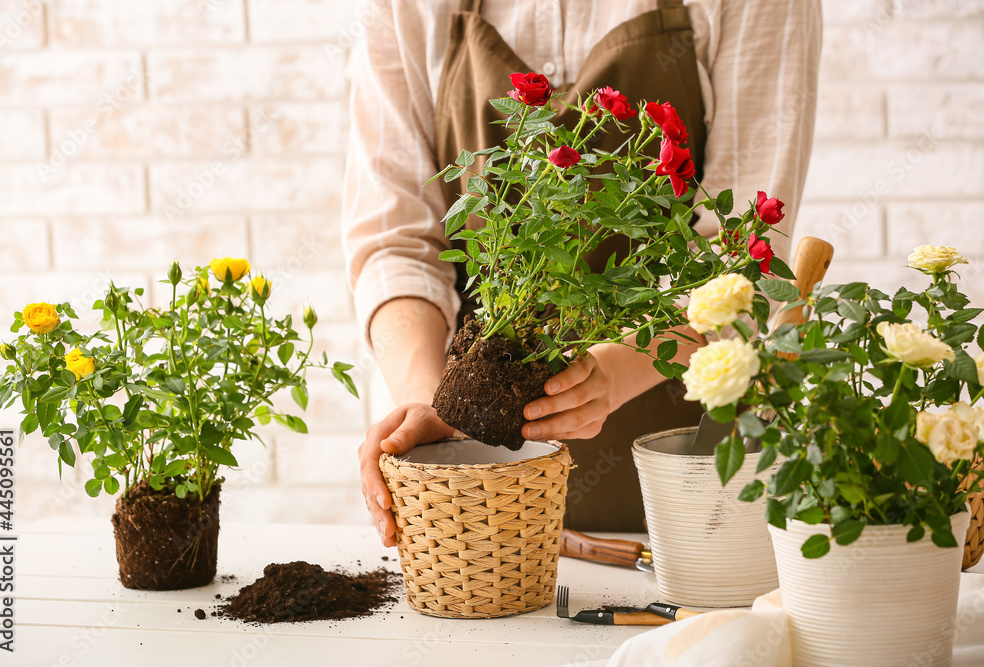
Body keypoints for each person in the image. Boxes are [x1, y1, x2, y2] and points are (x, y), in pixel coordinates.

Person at [343, 0, 822, 546]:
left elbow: (739, 256)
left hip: (680, 478)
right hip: (476, 494)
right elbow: (395, 243)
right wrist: (429, 399)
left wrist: (614, 370)